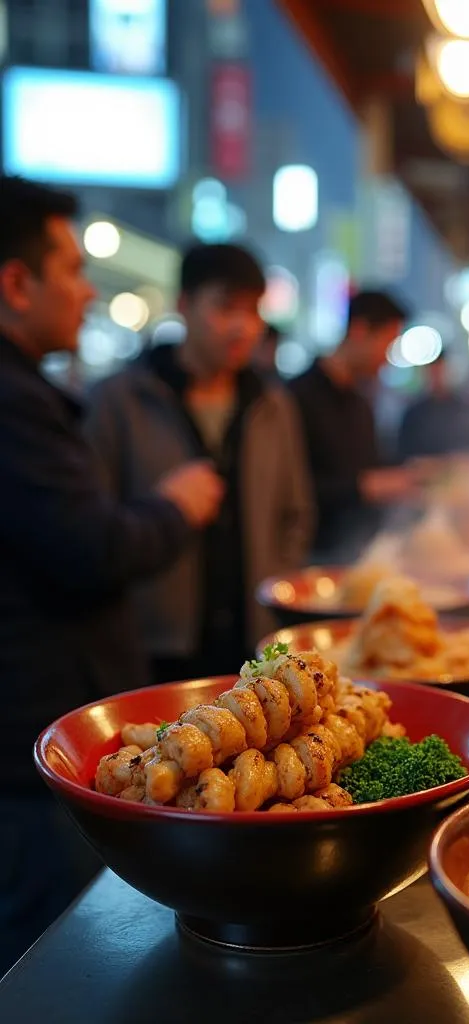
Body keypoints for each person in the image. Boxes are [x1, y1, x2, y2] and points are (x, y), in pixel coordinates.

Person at [0, 176, 223, 972]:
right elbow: (87, 549)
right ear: (15, 282)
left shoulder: (33, 391)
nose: (88, 289)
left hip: (49, 728)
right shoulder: (17, 401)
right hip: (34, 739)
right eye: (70, 268)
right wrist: (174, 507)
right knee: (54, 959)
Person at [86, 243, 315, 684]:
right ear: (184, 305)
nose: (242, 328)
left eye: (253, 311)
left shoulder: (272, 404)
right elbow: (93, 526)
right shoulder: (120, 400)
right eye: (225, 308)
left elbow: (297, 513)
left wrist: (273, 586)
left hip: (254, 643)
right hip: (156, 648)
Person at [290, 289, 416, 561]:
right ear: (359, 331)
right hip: (312, 556)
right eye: (387, 343)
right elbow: (289, 489)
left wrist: (412, 474)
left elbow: (371, 467)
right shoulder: (296, 397)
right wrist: (363, 487)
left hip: (359, 550)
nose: (387, 358)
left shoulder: (360, 403)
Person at [396, 350, 469, 462]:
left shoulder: (464, 410)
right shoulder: (414, 414)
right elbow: (404, 454)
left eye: (441, 370)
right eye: (433, 371)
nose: (437, 376)